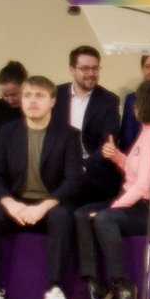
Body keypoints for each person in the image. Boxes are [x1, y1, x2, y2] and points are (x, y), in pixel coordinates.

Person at [0, 76, 83, 299]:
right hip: (17, 203)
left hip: (51, 204)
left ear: (52, 101)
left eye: (39, 96)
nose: (32, 101)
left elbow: (73, 180)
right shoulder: (8, 132)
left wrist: (43, 207)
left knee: (62, 217)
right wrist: (9, 203)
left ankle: (55, 289)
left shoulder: (68, 134)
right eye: (28, 95)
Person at [74, 79, 150, 299]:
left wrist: (112, 208)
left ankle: (124, 285)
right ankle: (96, 286)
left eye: (138, 102)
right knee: (80, 214)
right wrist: (116, 155)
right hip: (134, 201)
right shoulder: (147, 131)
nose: (134, 107)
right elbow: (133, 168)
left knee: (104, 219)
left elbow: (143, 184)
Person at [56, 45, 122, 206]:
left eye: (95, 68)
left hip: (92, 170)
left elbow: (108, 142)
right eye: (85, 69)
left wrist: (83, 168)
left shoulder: (109, 100)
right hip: (60, 168)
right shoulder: (55, 95)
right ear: (72, 70)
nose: (91, 73)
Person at [0, 60, 28, 156]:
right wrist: (7, 137)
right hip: (7, 162)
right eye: (5, 95)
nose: (10, 100)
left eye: (14, 94)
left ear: (25, 86)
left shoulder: (36, 106)